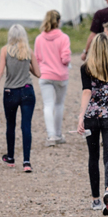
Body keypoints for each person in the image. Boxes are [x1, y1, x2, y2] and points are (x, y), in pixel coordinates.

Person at [77, 34, 108, 213]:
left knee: (93, 156)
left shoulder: (86, 68)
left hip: (92, 117)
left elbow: (87, 91)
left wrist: (81, 115)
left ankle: (95, 199)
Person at [0, 25, 41, 173]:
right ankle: (26, 161)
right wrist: (26, 65)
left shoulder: (5, 50)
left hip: (10, 92)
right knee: (26, 126)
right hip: (27, 91)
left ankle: (11, 157)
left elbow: (0, 71)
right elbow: (38, 73)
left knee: (10, 125)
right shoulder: (28, 52)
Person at [34, 10, 71, 146]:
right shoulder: (64, 38)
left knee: (47, 105)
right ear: (59, 21)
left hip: (45, 74)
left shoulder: (39, 39)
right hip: (60, 75)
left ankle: (51, 136)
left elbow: (37, 58)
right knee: (59, 104)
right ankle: (58, 133)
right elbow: (65, 58)